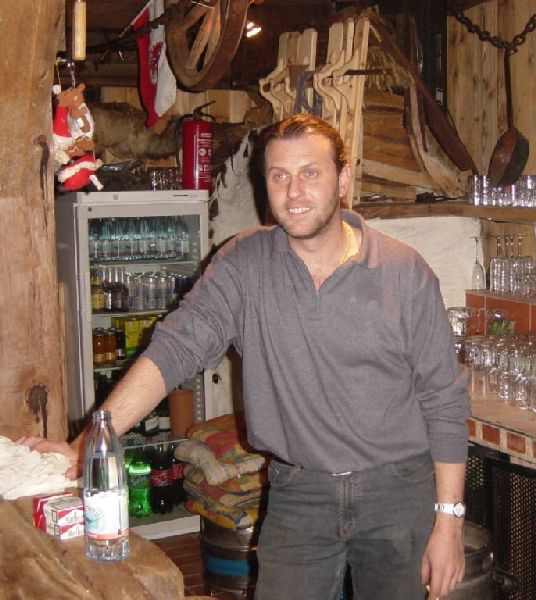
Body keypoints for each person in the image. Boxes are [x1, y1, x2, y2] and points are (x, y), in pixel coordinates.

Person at [21, 113, 469, 599]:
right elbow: (174, 350)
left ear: (343, 180)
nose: (293, 192)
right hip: (300, 492)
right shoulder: (244, 263)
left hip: (398, 491)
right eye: (279, 176)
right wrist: (88, 443)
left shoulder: (403, 271)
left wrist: (448, 521)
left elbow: (443, 400)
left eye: (310, 173)